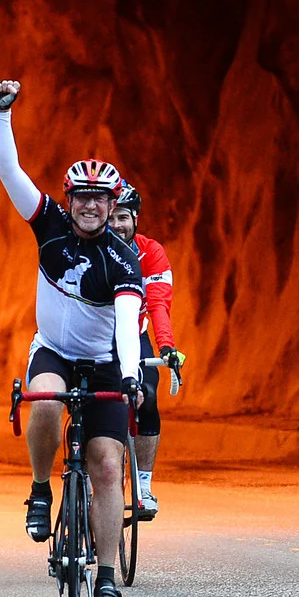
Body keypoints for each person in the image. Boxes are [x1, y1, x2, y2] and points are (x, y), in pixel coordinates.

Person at [0, 78, 144, 597]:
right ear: (70, 198)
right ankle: (38, 490)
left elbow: (128, 325)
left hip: (103, 362)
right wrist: (0, 115)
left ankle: (105, 574)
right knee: (46, 401)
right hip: (53, 350)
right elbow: (11, 173)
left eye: (100, 200)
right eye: (81, 197)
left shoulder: (123, 261)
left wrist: (130, 376)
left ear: (112, 205)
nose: (89, 207)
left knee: (105, 466)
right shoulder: (49, 225)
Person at [108, 184, 184, 519]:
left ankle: (143, 483)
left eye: (122, 217)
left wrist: (166, 345)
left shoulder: (150, 252)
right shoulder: (86, 249)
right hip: (93, 340)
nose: (116, 225)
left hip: (134, 337)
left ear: (135, 218)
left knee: (147, 394)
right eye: (110, 218)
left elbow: (157, 304)